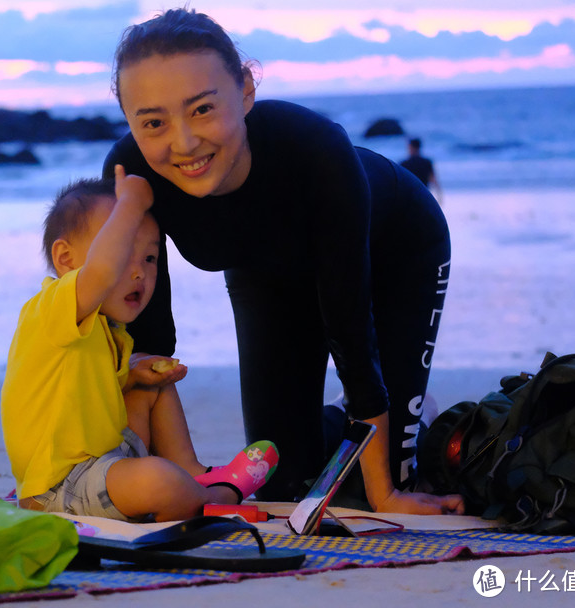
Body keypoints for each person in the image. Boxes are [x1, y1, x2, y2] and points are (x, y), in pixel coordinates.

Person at [103, 8, 463, 515]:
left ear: (246, 91)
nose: (183, 143)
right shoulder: (134, 176)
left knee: (378, 489)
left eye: (203, 109)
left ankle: (413, 415)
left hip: (396, 250)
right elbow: (148, 343)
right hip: (266, 275)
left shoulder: (315, 150)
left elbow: (351, 336)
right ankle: (344, 423)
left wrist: (388, 495)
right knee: (281, 484)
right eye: (154, 121)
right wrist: (153, 477)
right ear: (129, 121)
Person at [0, 171, 279, 522]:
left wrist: (132, 377)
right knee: (159, 480)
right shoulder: (53, 307)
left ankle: (192, 472)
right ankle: (217, 495)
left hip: (104, 466)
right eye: (123, 252)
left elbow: (88, 399)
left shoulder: (106, 330)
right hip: (59, 487)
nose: (140, 273)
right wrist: (130, 204)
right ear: (67, 260)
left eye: (150, 258)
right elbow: (99, 273)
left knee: (151, 379)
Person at [401, 137, 444, 202]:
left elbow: (400, 183)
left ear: (411, 147)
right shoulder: (427, 162)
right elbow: (433, 180)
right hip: (424, 195)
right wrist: (439, 195)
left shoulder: (404, 164)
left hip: (409, 197)